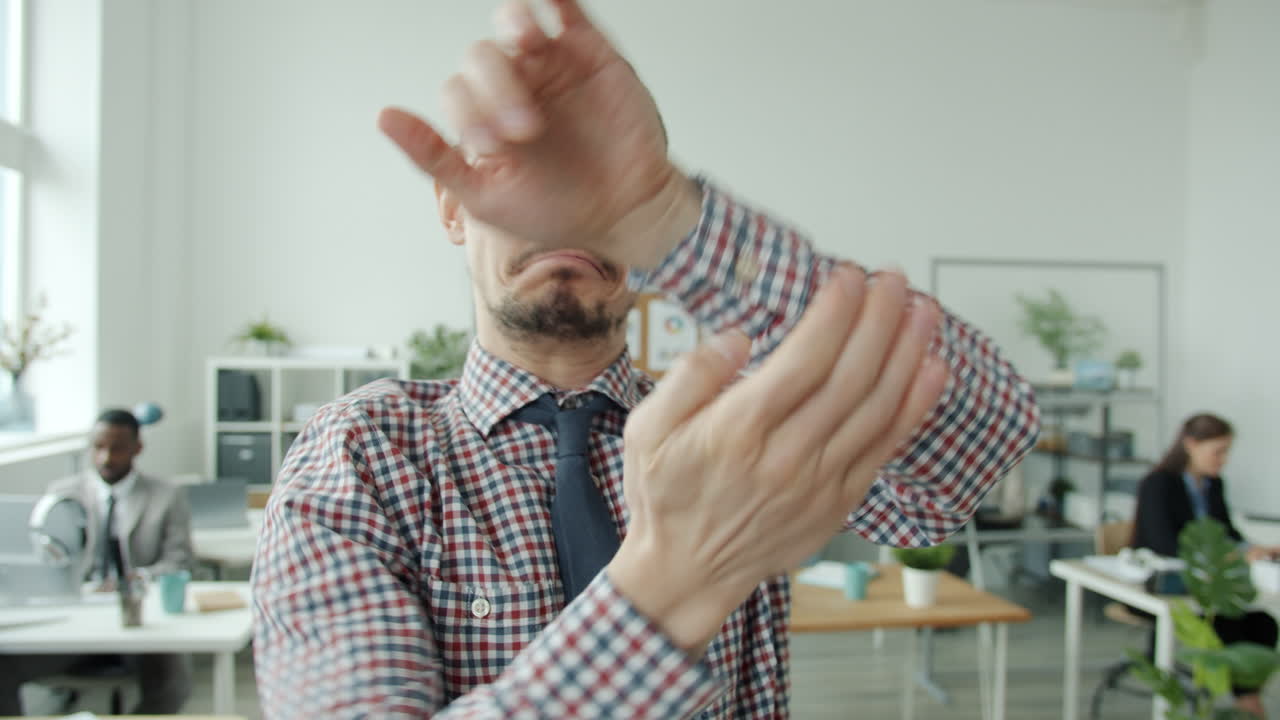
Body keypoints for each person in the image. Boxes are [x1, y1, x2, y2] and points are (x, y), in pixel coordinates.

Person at [250, 1, 1041, 716]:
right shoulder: (360, 456)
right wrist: (673, 583)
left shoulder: (726, 430)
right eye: (515, 180)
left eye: (582, 193)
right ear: (454, 208)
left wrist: (662, 213)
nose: (563, 224)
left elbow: (985, 432)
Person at [0, 409, 194, 715]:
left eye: (116, 448)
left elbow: (179, 562)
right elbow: (44, 561)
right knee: (4, 665)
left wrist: (132, 580)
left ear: (136, 448)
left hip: (140, 623)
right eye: (98, 447)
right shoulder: (62, 495)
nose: (106, 457)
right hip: (75, 622)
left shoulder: (166, 495)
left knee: (173, 682)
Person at [1132, 412, 1279, 717]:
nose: (1223, 460)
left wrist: (1254, 549)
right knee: (1228, 621)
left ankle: (1246, 696)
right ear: (1190, 444)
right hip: (1166, 585)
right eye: (1218, 451)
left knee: (1264, 623)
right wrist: (1229, 556)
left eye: (1226, 452)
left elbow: (1226, 532)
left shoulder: (1213, 485)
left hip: (1209, 585)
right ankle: (1248, 703)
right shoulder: (1158, 484)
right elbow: (1165, 545)